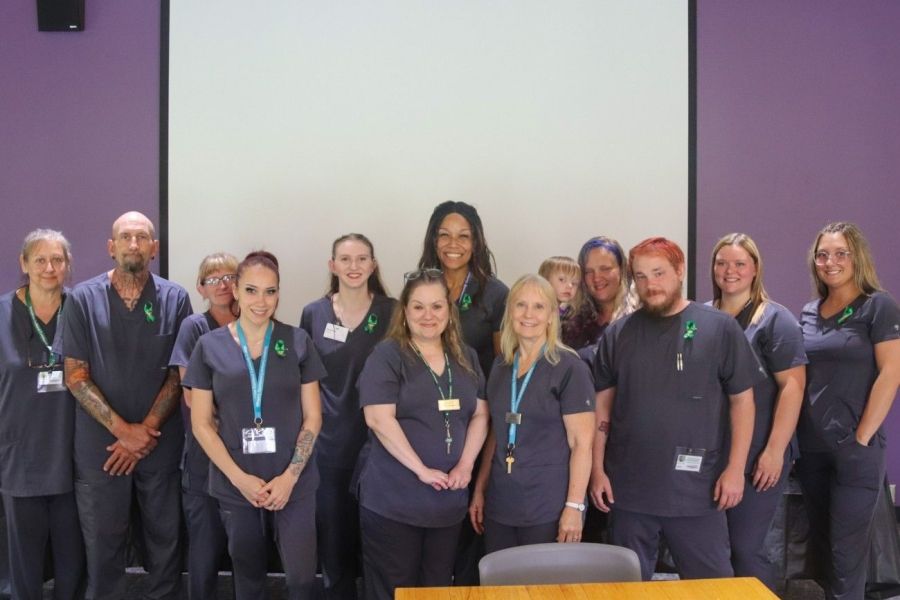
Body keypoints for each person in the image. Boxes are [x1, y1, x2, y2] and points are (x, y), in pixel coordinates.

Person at [590, 237, 762, 581]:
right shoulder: (618, 334)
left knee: (712, 587)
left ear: (680, 271)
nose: (650, 285)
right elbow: (602, 409)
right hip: (630, 491)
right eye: (640, 276)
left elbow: (743, 402)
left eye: (658, 273)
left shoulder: (720, 328)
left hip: (698, 491)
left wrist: (735, 470)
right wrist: (597, 470)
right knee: (627, 587)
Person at [60, 211, 191, 599]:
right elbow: (75, 376)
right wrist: (124, 432)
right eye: (125, 237)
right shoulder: (82, 299)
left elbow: (178, 374)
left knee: (165, 540)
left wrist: (144, 431)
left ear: (155, 248)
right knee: (103, 543)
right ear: (111, 247)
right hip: (102, 446)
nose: (134, 244)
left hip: (158, 443)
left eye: (142, 237)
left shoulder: (175, 298)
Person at [184, 251, 326, 600]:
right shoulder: (208, 346)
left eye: (270, 291)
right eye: (251, 290)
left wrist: (290, 476)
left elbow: (313, 416)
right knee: (247, 579)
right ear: (235, 290)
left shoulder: (297, 341)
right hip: (237, 481)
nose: (261, 302)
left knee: (301, 580)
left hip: (293, 482)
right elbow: (201, 423)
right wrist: (239, 479)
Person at [356, 269, 489, 600]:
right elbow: (378, 419)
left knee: (437, 590)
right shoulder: (387, 355)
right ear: (405, 311)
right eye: (418, 307)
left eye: (436, 306)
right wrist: (421, 470)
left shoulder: (466, 357)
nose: (428, 315)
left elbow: (480, 414)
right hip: (394, 503)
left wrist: (466, 465)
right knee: (394, 591)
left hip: (446, 506)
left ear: (449, 310)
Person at [793, 222, 900, 600]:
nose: (830, 262)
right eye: (822, 255)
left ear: (858, 258)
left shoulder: (878, 305)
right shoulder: (809, 312)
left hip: (855, 450)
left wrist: (862, 436)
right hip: (811, 450)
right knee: (823, 554)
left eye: (841, 254)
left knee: (846, 556)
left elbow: (891, 372)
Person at [299, 234, 395, 600]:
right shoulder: (313, 314)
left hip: (381, 448)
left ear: (373, 265)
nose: (354, 266)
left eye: (362, 259)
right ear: (332, 265)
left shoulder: (392, 312)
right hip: (328, 450)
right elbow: (304, 380)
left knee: (379, 551)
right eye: (345, 259)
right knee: (334, 551)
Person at [709, 233, 807, 591]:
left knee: (746, 549)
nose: (729, 270)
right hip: (713, 454)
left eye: (739, 263)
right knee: (712, 551)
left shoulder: (776, 321)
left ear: (755, 269)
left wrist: (774, 451)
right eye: (722, 263)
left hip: (758, 457)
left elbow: (793, 387)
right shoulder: (702, 317)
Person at [469, 274, 594, 552]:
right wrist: (480, 489)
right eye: (521, 305)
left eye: (539, 307)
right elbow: (497, 433)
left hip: (548, 507)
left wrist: (574, 506)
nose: (528, 314)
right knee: (501, 578)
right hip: (501, 504)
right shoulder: (501, 366)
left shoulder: (570, 368)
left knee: (542, 579)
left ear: (551, 315)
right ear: (510, 311)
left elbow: (582, 444)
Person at [0, 229, 84, 600]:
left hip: (73, 458)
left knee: (73, 566)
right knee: (24, 571)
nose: (49, 268)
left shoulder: (81, 310)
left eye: (57, 260)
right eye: (40, 260)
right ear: (24, 264)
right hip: (20, 458)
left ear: (68, 265)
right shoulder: (3, 314)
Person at [169, 252, 239, 600]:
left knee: (246, 549)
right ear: (201, 288)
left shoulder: (257, 322)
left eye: (230, 277)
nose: (223, 285)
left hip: (248, 453)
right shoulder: (194, 328)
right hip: (204, 454)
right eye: (213, 279)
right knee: (204, 548)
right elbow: (190, 395)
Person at [416, 201, 508, 379]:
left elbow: (503, 367)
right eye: (444, 235)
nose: (453, 244)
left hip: (477, 394)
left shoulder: (496, 294)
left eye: (463, 236)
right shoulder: (419, 289)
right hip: (424, 391)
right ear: (434, 241)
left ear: (475, 243)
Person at [563, 236, 635, 352]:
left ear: (622, 270)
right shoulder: (569, 321)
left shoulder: (639, 320)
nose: (596, 278)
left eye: (605, 269)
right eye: (588, 271)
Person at [538, 256, 583, 343]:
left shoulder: (566, 314)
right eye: (562, 280)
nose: (570, 286)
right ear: (545, 280)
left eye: (574, 283)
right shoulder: (539, 312)